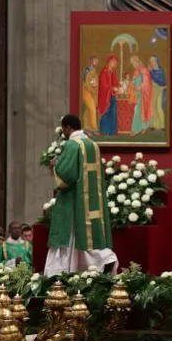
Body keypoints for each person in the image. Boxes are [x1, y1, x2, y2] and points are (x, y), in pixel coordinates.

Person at [45, 114, 118, 276]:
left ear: (68, 128)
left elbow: (66, 177)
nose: (63, 132)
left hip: (73, 201)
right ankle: (103, 259)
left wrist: (55, 166)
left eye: (64, 129)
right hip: (91, 201)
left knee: (70, 238)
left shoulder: (72, 145)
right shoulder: (93, 145)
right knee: (85, 239)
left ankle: (61, 274)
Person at [130, 55, 153, 136]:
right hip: (137, 93)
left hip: (143, 94)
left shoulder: (144, 70)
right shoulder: (136, 71)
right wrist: (131, 84)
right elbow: (133, 81)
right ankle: (143, 127)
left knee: (138, 110)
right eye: (132, 63)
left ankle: (136, 129)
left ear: (137, 61)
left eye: (134, 62)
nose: (133, 64)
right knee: (138, 110)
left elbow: (147, 82)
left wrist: (141, 87)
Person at [97, 56, 120, 135]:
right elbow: (104, 85)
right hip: (105, 96)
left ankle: (113, 131)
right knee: (105, 112)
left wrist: (118, 87)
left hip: (112, 95)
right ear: (110, 62)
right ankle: (104, 131)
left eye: (116, 63)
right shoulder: (104, 71)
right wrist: (112, 88)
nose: (115, 64)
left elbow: (115, 82)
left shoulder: (113, 72)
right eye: (114, 62)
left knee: (113, 113)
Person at [149, 55, 167, 130]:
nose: (151, 62)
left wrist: (164, 87)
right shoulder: (151, 71)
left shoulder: (160, 70)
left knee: (159, 107)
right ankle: (153, 125)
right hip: (153, 89)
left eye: (153, 61)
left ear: (156, 61)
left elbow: (162, 81)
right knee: (153, 107)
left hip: (160, 90)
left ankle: (162, 125)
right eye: (150, 61)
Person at [82, 56, 99, 134]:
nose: (97, 62)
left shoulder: (94, 71)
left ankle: (87, 128)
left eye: (97, 61)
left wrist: (95, 84)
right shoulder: (87, 70)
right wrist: (92, 84)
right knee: (92, 109)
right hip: (87, 91)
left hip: (92, 91)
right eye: (95, 61)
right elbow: (86, 80)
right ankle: (94, 129)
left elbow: (95, 80)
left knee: (89, 110)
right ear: (91, 61)